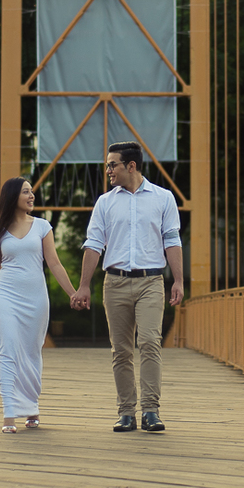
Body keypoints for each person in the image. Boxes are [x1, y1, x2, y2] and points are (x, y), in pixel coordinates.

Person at [70, 141, 184, 432]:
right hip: (115, 283)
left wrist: (179, 281)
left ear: (130, 166)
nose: (107, 170)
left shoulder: (163, 198)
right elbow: (94, 244)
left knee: (149, 343)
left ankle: (151, 411)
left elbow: (172, 240)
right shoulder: (105, 202)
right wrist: (84, 286)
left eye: (112, 164)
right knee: (120, 350)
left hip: (151, 281)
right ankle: (126, 413)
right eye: (107, 164)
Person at [0, 177, 78, 433]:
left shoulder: (43, 227)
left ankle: (32, 407)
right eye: (26, 192)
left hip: (35, 299)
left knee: (32, 353)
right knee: (8, 349)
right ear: (13, 197)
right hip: (5, 296)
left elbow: (54, 263)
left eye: (32, 191)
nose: (32, 195)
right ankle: (9, 415)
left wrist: (73, 293)